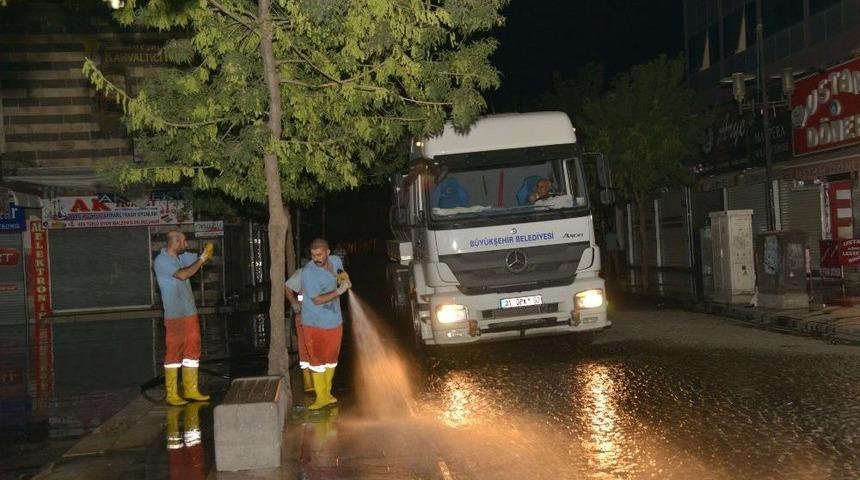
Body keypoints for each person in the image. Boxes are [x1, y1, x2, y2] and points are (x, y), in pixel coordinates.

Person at [153, 230, 212, 405]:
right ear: (175, 242)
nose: (187, 245)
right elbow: (183, 275)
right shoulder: (161, 261)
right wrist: (202, 259)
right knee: (174, 352)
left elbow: (200, 259)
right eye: (184, 242)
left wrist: (206, 254)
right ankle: (172, 394)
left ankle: (191, 389)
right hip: (175, 314)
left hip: (189, 312)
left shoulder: (182, 257)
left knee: (193, 349)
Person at [300, 238, 351, 410]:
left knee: (331, 360)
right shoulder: (308, 272)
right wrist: (339, 290)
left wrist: (343, 277)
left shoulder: (336, 260)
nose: (316, 259)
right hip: (313, 322)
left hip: (334, 321)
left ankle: (328, 393)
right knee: (317, 360)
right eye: (313, 255)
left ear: (328, 253)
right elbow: (316, 300)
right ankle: (320, 397)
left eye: (319, 255)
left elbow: (339, 271)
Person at [285, 266, 313, 393]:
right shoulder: (302, 273)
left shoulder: (327, 273)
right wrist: (294, 303)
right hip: (303, 317)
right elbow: (288, 288)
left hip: (321, 319)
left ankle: (320, 382)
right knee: (304, 348)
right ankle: (308, 381)